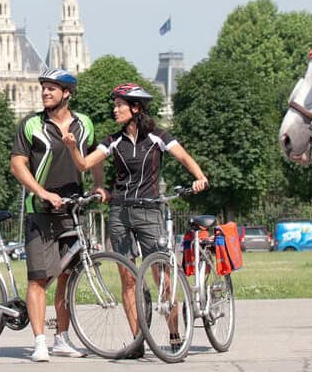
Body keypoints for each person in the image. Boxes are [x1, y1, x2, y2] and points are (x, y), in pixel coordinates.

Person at [62, 82, 208, 358]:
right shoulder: (113, 141)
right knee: (127, 278)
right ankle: (136, 342)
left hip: (149, 211)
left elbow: (184, 157)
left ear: (136, 107)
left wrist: (199, 177)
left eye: (120, 104)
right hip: (120, 212)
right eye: (114, 104)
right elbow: (84, 165)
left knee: (162, 274)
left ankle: (174, 332)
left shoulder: (157, 136)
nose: (114, 109)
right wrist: (72, 148)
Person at [10, 68, 108, 362]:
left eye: (51, 89)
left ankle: (62, 338)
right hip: (40, 212)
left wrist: (100, 185)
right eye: (43, 89)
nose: (45, 93)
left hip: (72, 211)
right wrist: (41, 192)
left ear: (67, 93)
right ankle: (40, 341)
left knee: (67, 277)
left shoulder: (84, 124)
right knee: (39, 279)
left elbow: (94, 158)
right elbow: (17, 165)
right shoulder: (31, 125)